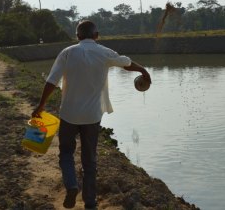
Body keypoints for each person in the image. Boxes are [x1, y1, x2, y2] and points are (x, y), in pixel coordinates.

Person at [32, 20, 151, 209]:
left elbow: (52, 82)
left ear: (77, 36)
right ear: (97, 35)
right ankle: (90, 202)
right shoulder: (104, 52)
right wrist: (143, 70)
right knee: (90, 160)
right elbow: (126, 63)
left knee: (66, 153)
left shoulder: (67, 53)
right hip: (92, 117)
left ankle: (71, 185)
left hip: (69, 114)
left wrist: (40, 106)